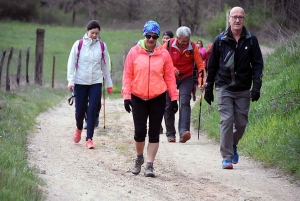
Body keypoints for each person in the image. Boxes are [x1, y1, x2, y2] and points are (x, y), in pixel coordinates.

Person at [204, 6, 263, 169]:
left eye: (240, 17)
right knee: (227, 120)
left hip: (243, 88)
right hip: (224, 87)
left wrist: (257, 86)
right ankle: (227, 157)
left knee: (241, 123)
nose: (237, 20)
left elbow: (258, 64)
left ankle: (233, 143)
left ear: (244, 20)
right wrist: (209, 88)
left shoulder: (251, 40)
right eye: (234, 17)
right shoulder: (220, 40)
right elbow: (212, 65)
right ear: (229, 19)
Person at [122, 20, 178, 177]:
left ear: (158, 36)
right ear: (144, 35)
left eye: (154, 36)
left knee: (154, 132)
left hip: (158, 97)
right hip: (138, 96)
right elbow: (127, 75)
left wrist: (174, 98)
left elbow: (169, 78)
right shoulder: (134, 52)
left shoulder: (164, 54)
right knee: (140, 131)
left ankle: (150, 164)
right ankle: (139, 158)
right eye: (148, 36)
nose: (151, 39)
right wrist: (127, 96)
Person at [67, 20, 113, 149]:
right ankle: (79, 128)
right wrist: (71, 81)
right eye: (92, 33)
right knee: (80, 111)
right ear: (87, 30)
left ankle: (89, 138)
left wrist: (109, 84)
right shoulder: (78, 45)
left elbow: (105, 66)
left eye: (97, 33)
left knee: (92, 110)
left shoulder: (102, 46)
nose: (94, 36)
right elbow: (71, 63)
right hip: (80, 82)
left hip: (96, 82)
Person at [163, 26, 205, 143]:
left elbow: (200, 65)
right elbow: (161, 60)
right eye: (183, 41)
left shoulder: (193, 47)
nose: (185, 43)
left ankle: (183, 132)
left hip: (186, 77)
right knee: (169, 105)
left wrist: (201, 81)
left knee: (185, 102)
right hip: (170, 77)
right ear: (177, 38)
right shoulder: (168, 45)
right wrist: (172, 68)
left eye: (187, 41)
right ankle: (170, 134)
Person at [159, 30, 174, 134]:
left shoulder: (173, 49)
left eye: (167, 38)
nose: (165, 40)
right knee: (158, 105)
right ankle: (158, 127)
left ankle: (170, 130)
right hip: (159, 80)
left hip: (169, 80)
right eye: (164, 38)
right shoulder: (158, 48)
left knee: (168, 105)